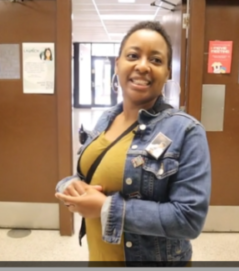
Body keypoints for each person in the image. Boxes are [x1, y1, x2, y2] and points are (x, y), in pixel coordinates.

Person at [55, 21, 211, 266]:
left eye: (156, 60)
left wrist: (107, 208)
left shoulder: (186, 131)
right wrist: (70, 186)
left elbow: (189, 219)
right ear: (118, 64)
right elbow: (85, 176)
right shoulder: (105, 119)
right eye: (133, 56)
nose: (142, 66)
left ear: (168, 72)